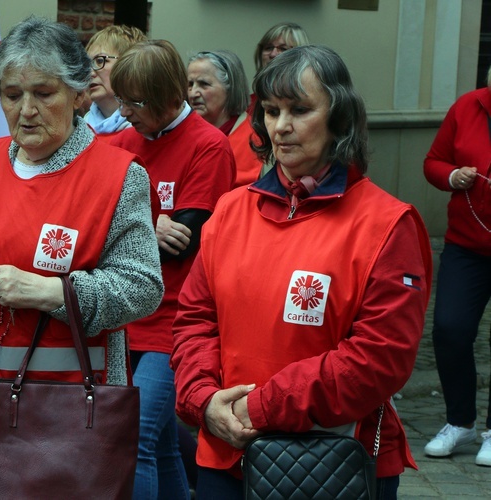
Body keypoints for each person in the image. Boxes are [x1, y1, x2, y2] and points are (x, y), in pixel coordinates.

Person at [171, 45, 432, 500]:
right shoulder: (231, 211)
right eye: (271, 111)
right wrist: (203, 399)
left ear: (340, 118)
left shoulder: (388, 223)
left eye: (300, 109)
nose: (281, 127)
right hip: (225, 454)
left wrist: (257, 407)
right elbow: (195, 319)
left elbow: (379, 358)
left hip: (331, 461)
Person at [0, 15, 164, 483]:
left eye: (43, 93)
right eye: (13, 95)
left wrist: (51, 293)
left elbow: (143, 287)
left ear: (79, 95)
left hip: (69, 402)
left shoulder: (117, 175)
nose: (26, 109)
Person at [109, 39, 235, 499]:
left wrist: (129, 223)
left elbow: (187, 240)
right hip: (124, 315)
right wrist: (148, 224)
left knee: (133, 436)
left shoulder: (208, 146)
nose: (123, 112)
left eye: (134, 102)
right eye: (120, 99)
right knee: (160, 447)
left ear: (167, 97)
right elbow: (94, 228)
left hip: (175, 320)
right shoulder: (120, 143)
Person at [422, 66, 491, 467]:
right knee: (449, 329)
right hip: (466, 244)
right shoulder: (468, 106)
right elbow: (433, 162)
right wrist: (453, 175)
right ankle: (459, 421)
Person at [187, 50, 262, 187]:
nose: (193, 93)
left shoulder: (256, 136)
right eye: (190, 84)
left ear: (230, 87)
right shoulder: (182, 133)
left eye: (204, 84)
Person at [84, 25, 147, 141]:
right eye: (87, 64)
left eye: (100, 61)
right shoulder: (79, 131)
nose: (90, 72)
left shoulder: (145, 131)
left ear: (129, 64)